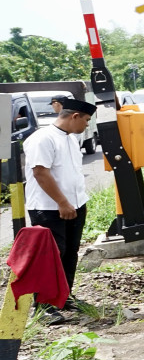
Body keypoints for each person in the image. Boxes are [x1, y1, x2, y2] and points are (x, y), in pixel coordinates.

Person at [23, 96, 96, 323]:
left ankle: (63, 297)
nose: (86, 125)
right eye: (85, 120)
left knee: (70, 252)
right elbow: (40, 173)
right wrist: (62, 203)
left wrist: (76, 202)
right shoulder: (42, 139)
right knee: (50, 256)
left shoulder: (71, 138)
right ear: (74, 116)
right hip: (49, 208)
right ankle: (44, 307)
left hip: (75, 205)